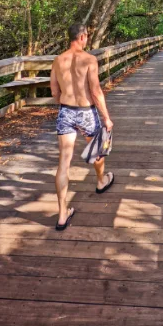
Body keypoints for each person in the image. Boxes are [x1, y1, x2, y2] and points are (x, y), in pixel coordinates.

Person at [50, 22, 115, 231]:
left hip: (66, 111)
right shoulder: (89, 59)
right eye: (86, 36)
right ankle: (100, 181)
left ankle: (62, 215)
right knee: (97, 151)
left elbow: (54, 93)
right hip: (86, 112)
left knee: (63, 163)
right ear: (82, 37)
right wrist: (106, 117)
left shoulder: (58, 60)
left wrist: (65, 102)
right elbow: (96, 92)